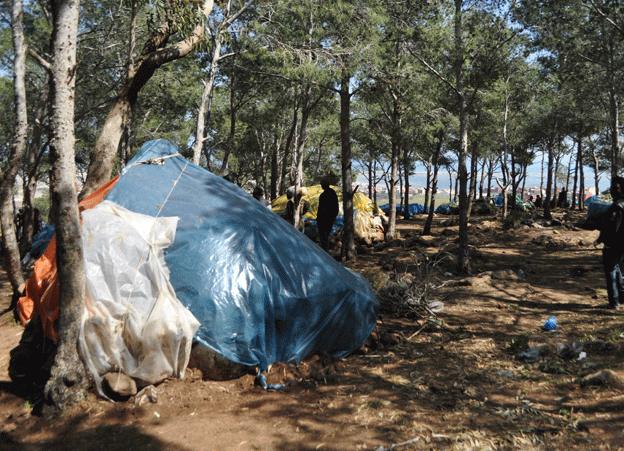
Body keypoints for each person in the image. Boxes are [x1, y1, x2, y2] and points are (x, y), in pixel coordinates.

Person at [594, 177, 624, 309]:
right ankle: (621, 298)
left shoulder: (616, 207)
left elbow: (612, 228)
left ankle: (614, 302)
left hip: (613, 245)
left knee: (611, 271)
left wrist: (602, 240)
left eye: (613, 189)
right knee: (617, 269)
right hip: (621, 245)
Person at [316, 178, 339, 251]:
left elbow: (321, 209)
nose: (321, 186)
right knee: (327, 234)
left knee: (323, 236)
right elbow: (336, 206)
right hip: (331, 218)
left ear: (323, 185)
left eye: (321, 185)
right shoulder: (333, 193)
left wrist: (318, 218)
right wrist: (334, 216)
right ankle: (326, 250)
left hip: (324, 219)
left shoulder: (323, 195)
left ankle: (324, 251)